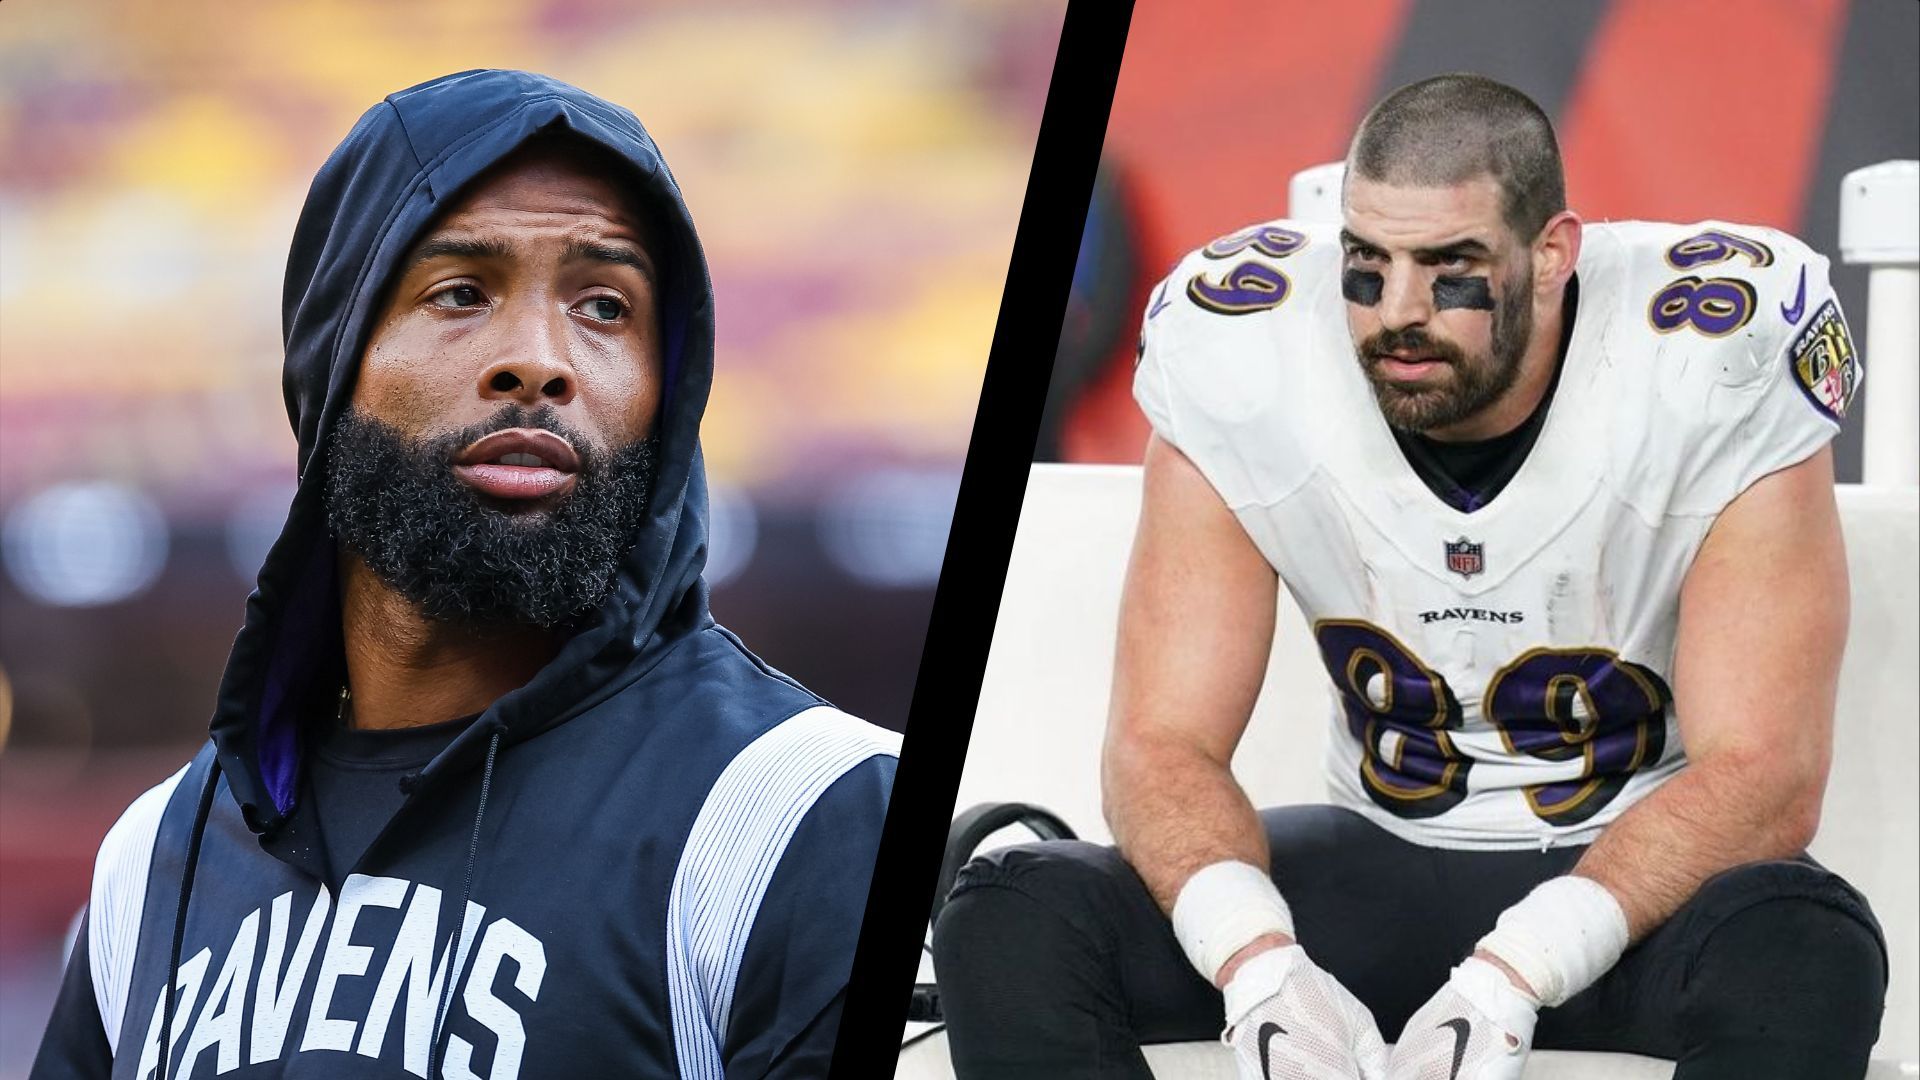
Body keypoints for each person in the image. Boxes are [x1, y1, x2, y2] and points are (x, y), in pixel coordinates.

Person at [933, 73, 1885, 1080]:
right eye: (1367, 263)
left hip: (1627, 878)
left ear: (1553, 253)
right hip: (1376, 848)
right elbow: (1159, 742)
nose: (1398, 313)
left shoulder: (1712, 355)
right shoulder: (1244, 350)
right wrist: (1256, 962)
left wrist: (1516, 969)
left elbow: (1767, 778)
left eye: (1450, 265)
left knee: (1805, 946)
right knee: (1013, 909)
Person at [31, 69, 899, 1080]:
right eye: (460, 292)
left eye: (607, 306)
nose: (538, 360)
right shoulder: (153, 861)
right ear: (333, 356)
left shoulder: (810, 813)